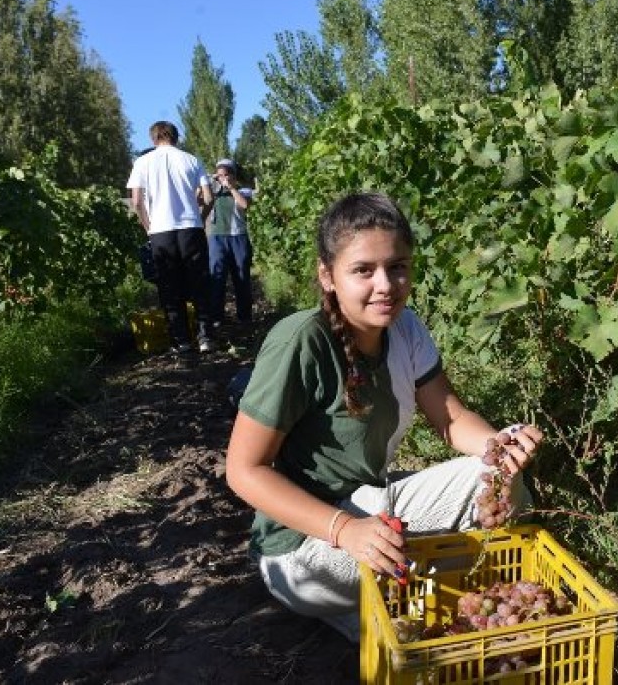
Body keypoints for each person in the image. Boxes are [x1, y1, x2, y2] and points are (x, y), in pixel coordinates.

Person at [224, 191, 543, 642]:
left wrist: (500, 445)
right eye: (363, 270)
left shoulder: (405, 327)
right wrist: (345, 530)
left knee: (500, 481)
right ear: (327, 275)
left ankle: (391, 612)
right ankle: (395, 605)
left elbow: (450, 418)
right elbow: (242, 471)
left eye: (397, 267)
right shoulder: (301, 342)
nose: (385, 285)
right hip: (300, 549)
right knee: (472, 494)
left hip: (365, 507)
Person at [126, 121, 218, 354]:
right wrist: (200, 219)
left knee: (169, 287)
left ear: (153, 138)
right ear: (176, 137)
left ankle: (182, 341)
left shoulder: (142, 162)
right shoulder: (192, 160)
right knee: (199, 284)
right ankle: (206, 337)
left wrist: (148, 226)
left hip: (160, 232)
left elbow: (136, 202)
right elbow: (208, 198)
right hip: (191, 229)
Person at [207, 158, 255, 325]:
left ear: (233, 175)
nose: (223, 179)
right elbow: (199, 199)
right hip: (217, 237)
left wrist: (232, 188)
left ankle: (244, 316)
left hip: (238, 237)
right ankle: (217, 317)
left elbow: (244, 205)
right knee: (217, 277)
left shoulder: (244, 191)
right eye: (219, 175)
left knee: (241, 276)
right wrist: (208, 183)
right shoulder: (214, 192)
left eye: (226, 175)